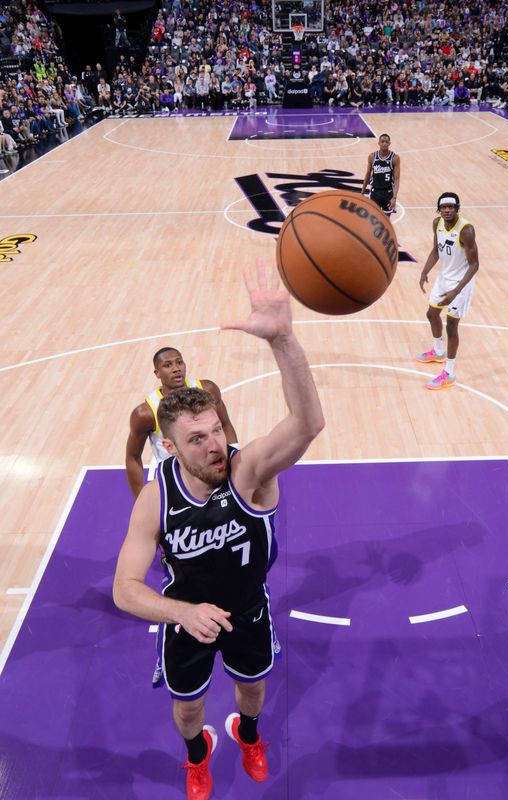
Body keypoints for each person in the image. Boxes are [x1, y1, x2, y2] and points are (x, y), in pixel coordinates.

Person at [113, 265, 325, 800]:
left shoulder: (247, 472)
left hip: (248, 608)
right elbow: (125, 588)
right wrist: (182, 612)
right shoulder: (156, 497)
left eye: (215, 431)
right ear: (172, 447)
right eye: (196, 439)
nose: (212, 446)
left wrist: (284, 341)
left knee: (252, 690)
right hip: (185, 617)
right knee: (187, 707)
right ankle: (197, 755)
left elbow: (306, 424)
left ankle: (247, 735)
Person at [125, 348, 237, 499]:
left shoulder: (208, 389)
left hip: (213, 468)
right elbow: (132, 457)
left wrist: (235, 460)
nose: (176, 369)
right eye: (168, 365)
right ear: (157, 373)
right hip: (178, 482)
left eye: (179, 362)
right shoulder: (146, 413)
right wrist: (140, 500)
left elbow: (225, 423)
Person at [415, 192, 479, 391]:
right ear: (439, 209)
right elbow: (436, 250)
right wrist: (425, 271)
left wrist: (456, 291)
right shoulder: (437, 223)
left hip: (462, 281)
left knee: (451, 326)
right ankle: (438, 351)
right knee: (431, 313)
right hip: (445, 277)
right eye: (444, 207)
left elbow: (475, 264)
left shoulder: (466, 230)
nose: (448, 210)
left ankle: (449, 373)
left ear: (457, 208)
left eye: (451, 207)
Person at [360, 132, 401, 215]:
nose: (384, 143)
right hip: (375, 192)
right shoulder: (372, 156)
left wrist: (394, 197)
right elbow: (368, 174)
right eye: (382, 141)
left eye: (386, 142)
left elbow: (396, 179)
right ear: (379, 143)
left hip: (388, 192)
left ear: (389, 143)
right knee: (373, 219)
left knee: (386, 219)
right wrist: (362, 191)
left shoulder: (395, 158)